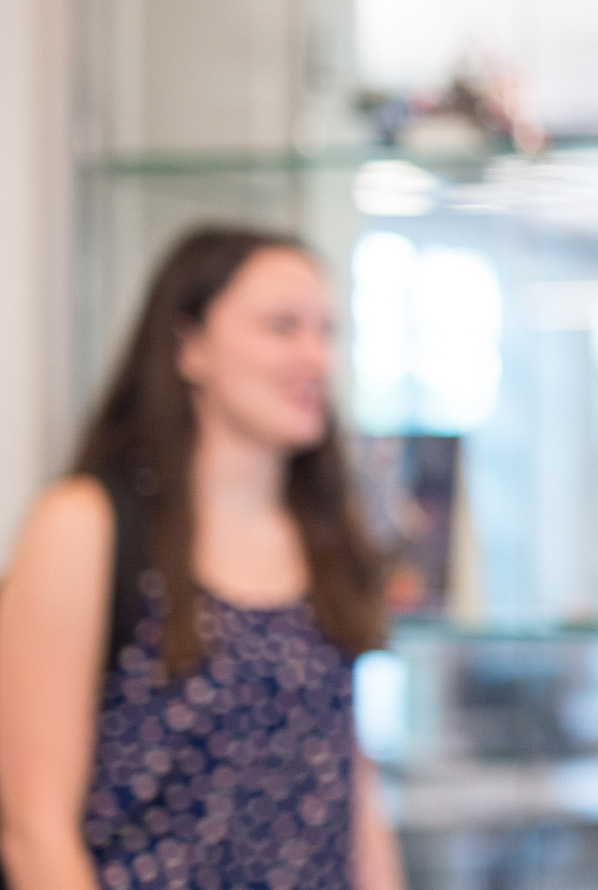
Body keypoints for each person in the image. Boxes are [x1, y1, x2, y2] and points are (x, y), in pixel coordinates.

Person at [0, 227, 407, 889]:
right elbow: (34, 833)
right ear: (188, 346)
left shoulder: (329, 537)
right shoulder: (85, 526)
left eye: (327, 332)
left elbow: (353, 794)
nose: (315, 357)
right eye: (282, 327)